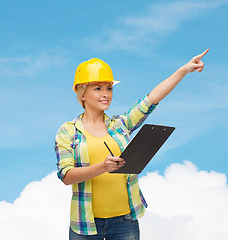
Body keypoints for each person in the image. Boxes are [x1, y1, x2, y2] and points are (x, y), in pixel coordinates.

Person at [55, 49, 209, 240]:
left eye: (109, 88)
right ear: (82, 93)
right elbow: (67, 176)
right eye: (98, 88)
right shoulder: (68, 131)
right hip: (87, 224)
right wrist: (103, 167)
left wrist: (184, 70)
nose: (106, 94)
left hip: (125, 221)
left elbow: (152, 99)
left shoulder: (121, 125)